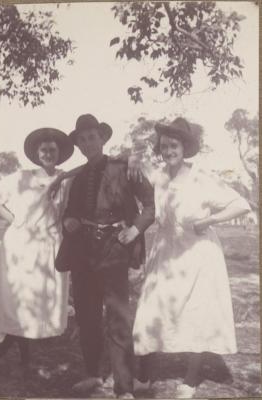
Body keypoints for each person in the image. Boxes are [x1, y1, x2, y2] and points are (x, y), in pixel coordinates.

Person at [132, 117, 251, 398]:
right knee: (151, 308)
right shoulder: (159, 176)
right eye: (164, 147)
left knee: (196, 314)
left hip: (199, 255)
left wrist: (209, 219)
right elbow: (135, 160)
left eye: (174, 145)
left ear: (185, 147)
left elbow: (241, 205)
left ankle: (191, 377)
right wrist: (133, 158)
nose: (169, 151)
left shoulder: (201, 179)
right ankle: (144, 375)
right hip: (166, 252)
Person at [55, 114, 155, 399]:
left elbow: (150, 205)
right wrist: (68, 221)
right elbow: (69, 212)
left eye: (92, 137)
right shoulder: (78, 178)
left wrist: (135, 230)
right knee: (86, 317)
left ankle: (123, 387)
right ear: (79, 145)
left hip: (114, 250)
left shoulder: (125, 168)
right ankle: (93, 375)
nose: (88, 143)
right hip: (83, 253)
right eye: (82, 139)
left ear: (102, 138)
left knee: (118, 318)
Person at [0, 128, 75, 373]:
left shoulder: (66, 179)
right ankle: (18, 353)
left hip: (50, 243)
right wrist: (13, 219)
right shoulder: (21, 178)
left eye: (53, 150)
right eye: (43, 150)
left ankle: (24, 348)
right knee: (20, 298)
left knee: (40, 298)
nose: (48, 154)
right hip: (22, 244)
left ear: (60, 153)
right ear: (36, 153)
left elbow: (87, 172)